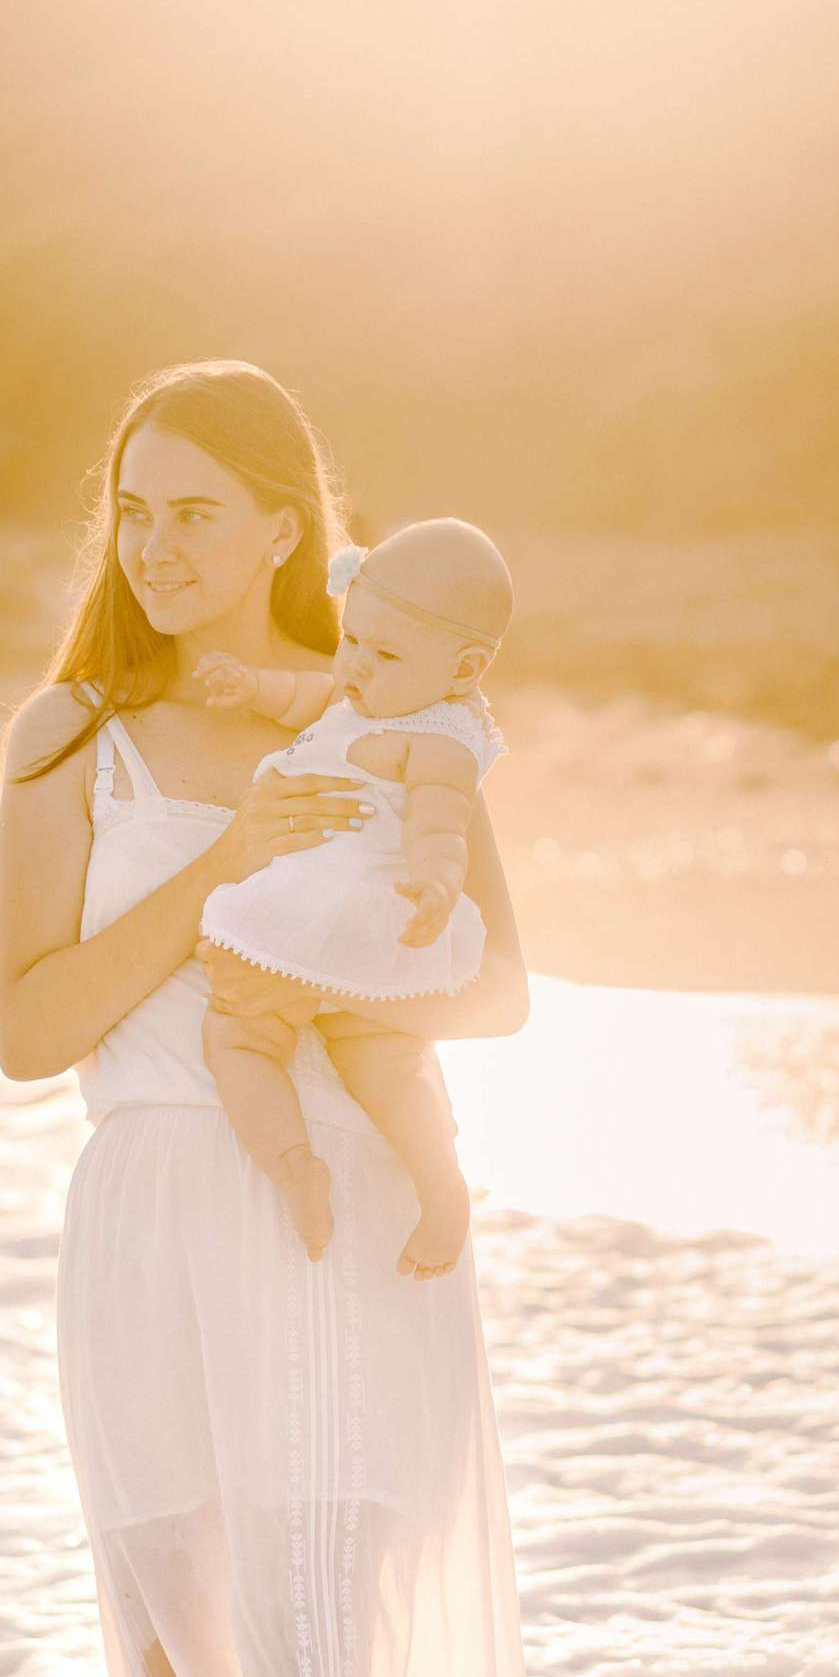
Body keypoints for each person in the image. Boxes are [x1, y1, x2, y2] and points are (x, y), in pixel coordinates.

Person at [0, 357, 575, 1677]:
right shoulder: (70, 733)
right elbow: (33, 1028)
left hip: (334, 1207)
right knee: (178, 1656)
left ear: (282, 525)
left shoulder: (376, 708)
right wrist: (230, 863)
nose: (157, 545)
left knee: (318, 1633)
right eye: (133, 510)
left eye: (196, 513)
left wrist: (340, 990)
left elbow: (504, 991)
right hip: (154, 1196)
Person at [192, 517, 515, 1281]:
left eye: (387, 652)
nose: (358, 668)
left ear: (465, 669)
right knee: (384, 1061)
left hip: (357, 907)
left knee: (239, 1034)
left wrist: (436, 883)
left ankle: (325, 1168)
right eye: (354, 641)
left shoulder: (443, 740)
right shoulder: (361, 697)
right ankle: (392, 1182)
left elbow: (444, 824)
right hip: (339, 923)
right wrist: (252, 687)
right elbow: (304, 692)